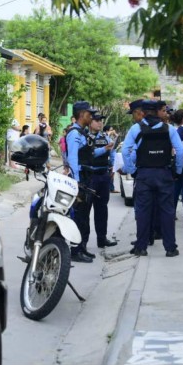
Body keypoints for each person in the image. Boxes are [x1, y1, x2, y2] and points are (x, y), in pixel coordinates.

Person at [121, 100, 183, 257]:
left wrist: (132, 170)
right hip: (164, 174)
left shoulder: (136, 129)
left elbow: (125, 151)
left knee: (143, 211)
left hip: (144, 175)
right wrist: (177, 170)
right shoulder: (169, 129)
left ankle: (141, 247)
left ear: (143, 112)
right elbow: (181, 151)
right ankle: (170, 248)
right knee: (167, 211)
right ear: (158, 112)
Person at [66, 101, 109, 263]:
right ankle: (75, 250)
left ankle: (82, 247)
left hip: (86, 178)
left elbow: (88, 154)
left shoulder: (82, 132)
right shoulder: (74, 133)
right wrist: (76, 182)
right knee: (79, 217)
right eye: (89, 113)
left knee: (83, 216)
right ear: (82, 114)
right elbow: (72, 159)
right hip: (80, 180)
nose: (91, 116)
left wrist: (105, 150)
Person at [87, 114, 118, 249]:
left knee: (102, 209)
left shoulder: (105, 137)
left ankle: (102, 238)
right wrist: (104, 149)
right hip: (90, 176)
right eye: (97, 120)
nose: (100, 123)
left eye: (101, 121)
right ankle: (82, 243)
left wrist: (112, 165)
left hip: (103, 175)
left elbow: (112, 152)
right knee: (84, 210)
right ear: (90, 121)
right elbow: (90, 153)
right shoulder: (85, 137)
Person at [104, 125, 120, 193]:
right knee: (109, 174)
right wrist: (109, 133)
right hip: (108, 158)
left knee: (112, 174)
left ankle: (111, 188)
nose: (112, 131)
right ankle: (109, 188)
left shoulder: (111, 138)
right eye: (111, 129)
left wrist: (115, 135)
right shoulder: (104, 136)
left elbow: (115, 142)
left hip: (112, 157)